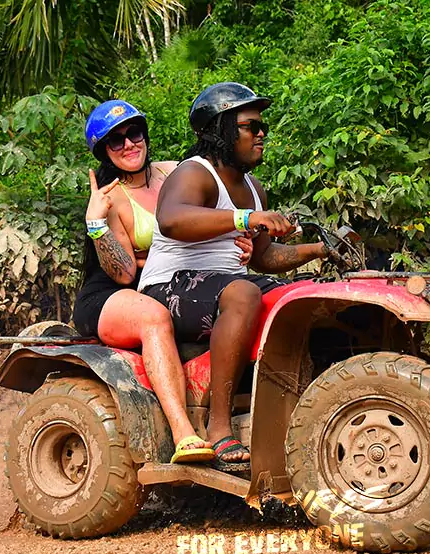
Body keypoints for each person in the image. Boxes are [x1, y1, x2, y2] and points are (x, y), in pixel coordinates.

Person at [138, 82, 330, 467]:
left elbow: (264, 257)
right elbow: (172, 220)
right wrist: (245, 218)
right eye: (251, 126)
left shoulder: (253, 187)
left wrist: (322, 251)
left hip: (227, 284)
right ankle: (218, 426)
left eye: (263, 127)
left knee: (305, 296)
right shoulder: (195, 173)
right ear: (221, 130)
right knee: (243, 294)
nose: (261, 134)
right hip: (170, 285)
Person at [72, 100, 254, 464]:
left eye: (133, 133)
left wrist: (241, 245)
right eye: (116, 141)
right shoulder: (111, 200)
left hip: (179, 281)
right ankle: (182, 432)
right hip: (115, 294)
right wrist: (96, 224)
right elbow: (123, 272)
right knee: (154, 316)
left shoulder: (175, 174)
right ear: (104, 152)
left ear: (145, 134)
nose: (128, 144)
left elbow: (210, 222)